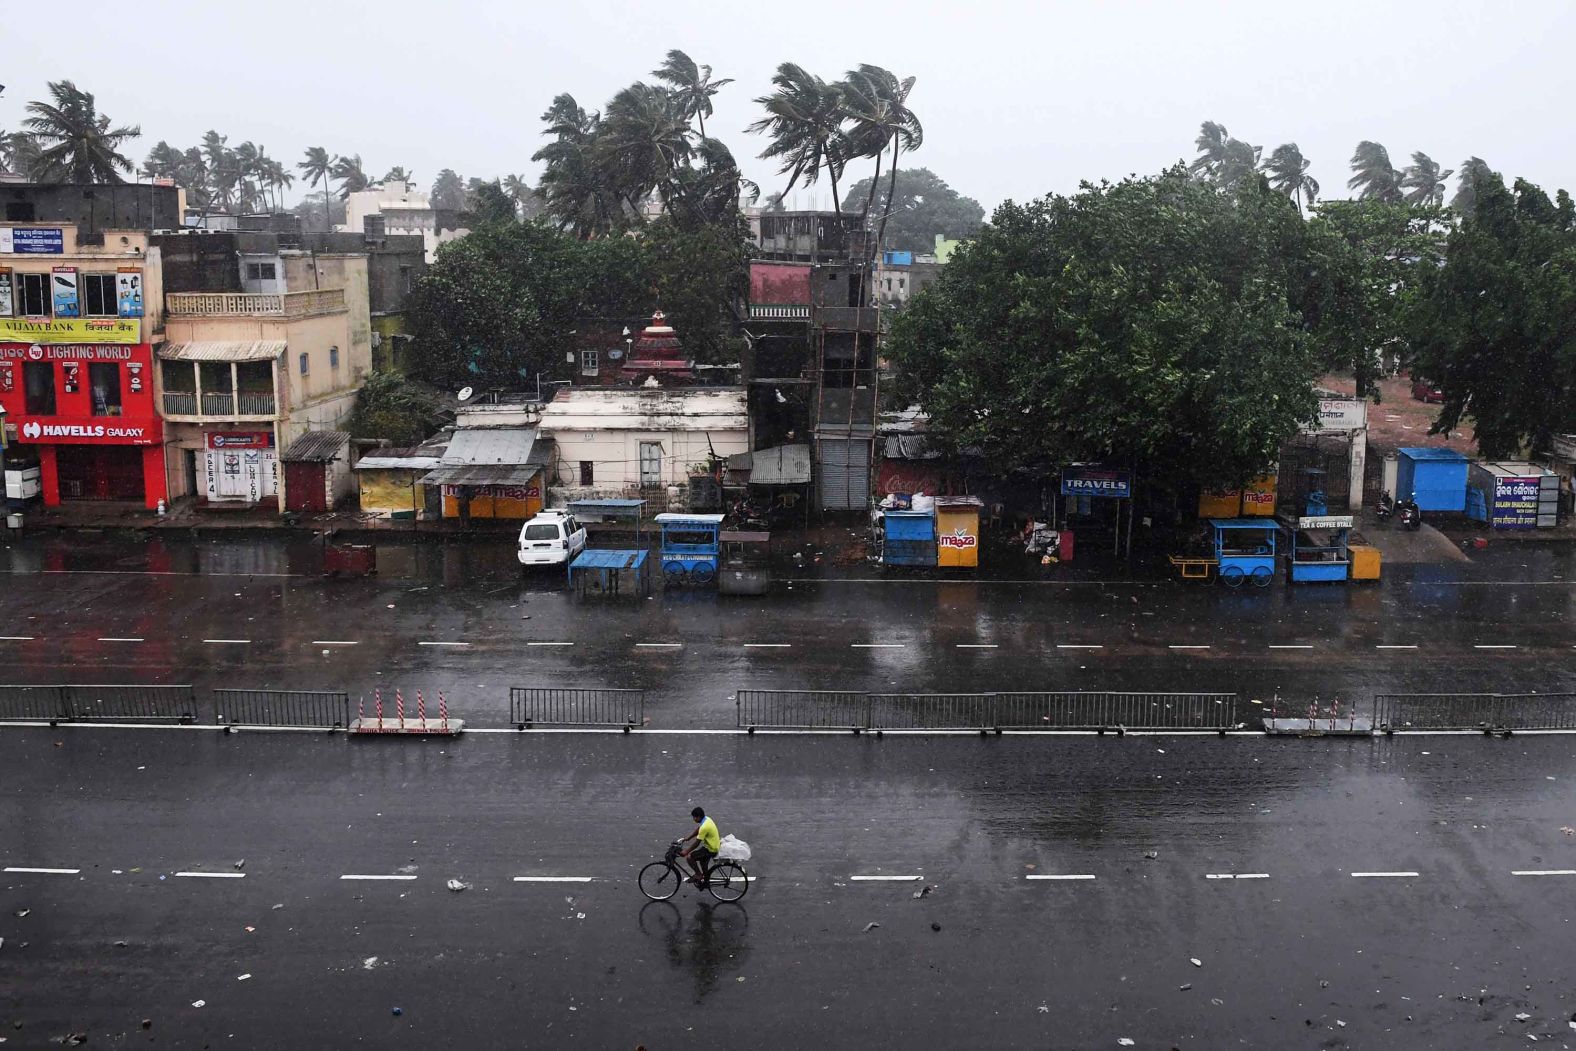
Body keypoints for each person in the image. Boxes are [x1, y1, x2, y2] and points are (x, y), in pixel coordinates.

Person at [678, 806, 720, 886]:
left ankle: (698, 874)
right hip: (713, 845)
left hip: (711, 849)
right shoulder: (706, 819)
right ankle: (706, 881)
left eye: (694, 817)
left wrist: (686, 852)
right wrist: (688, 838)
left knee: (690, 857)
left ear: (698, 817)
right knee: (702, 861)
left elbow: (697, 843)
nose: (694, 819)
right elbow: (699, 830)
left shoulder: (705, 827)